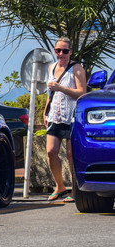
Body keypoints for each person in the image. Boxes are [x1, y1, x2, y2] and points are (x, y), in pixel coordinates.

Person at [43, 36, 87, 202]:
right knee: (51, 151)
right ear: (54, 51)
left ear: (70, 52)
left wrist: (60, 87)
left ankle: (75, 191)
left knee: (71, 154)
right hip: (55, 114)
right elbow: (50, 93)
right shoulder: (51, 67)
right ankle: (59, 186)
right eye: (58, 50)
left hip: (71, 116)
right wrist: (45, 111)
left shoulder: (76, 69)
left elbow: (82, 92)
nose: (61, 54)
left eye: (64, 51)